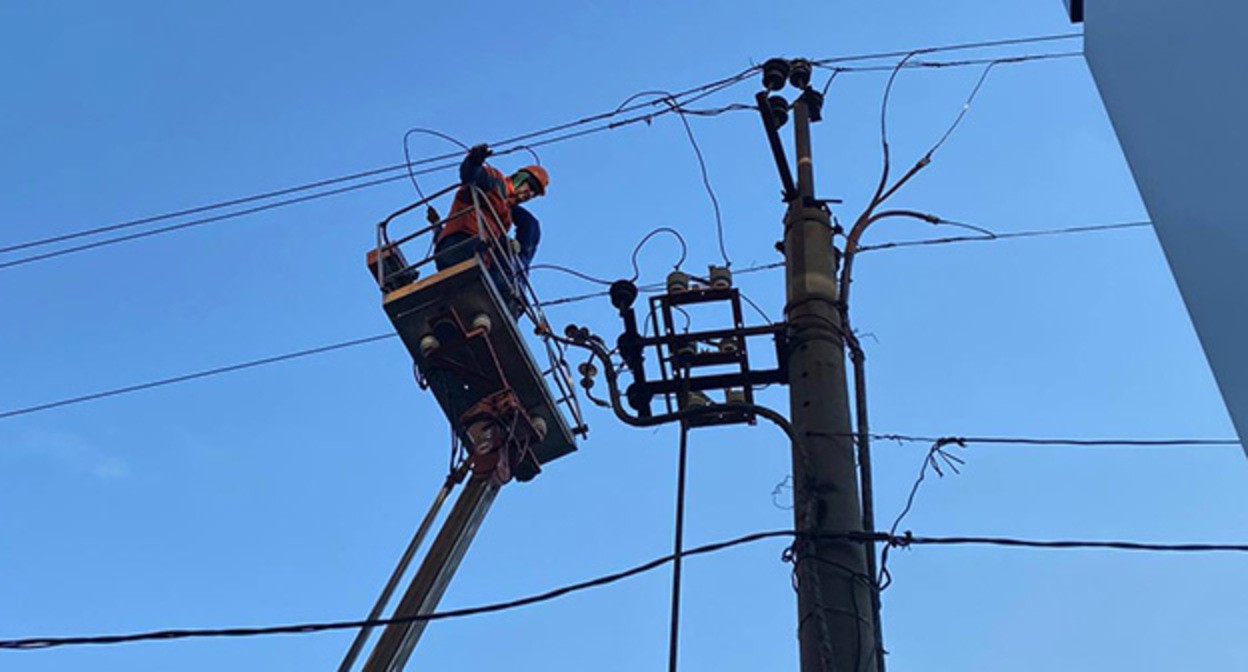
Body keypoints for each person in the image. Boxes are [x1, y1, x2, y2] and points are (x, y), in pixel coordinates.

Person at [434, 143, 547, 277]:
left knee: (504, 277)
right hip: (462, 242)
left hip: (477, 253)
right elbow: (471, 175)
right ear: (520, 179)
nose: (530, 194)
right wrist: (474, 160)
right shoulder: (495, 181)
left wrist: (506, 244)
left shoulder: (507, 215)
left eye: (534, 194)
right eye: (531, 187)